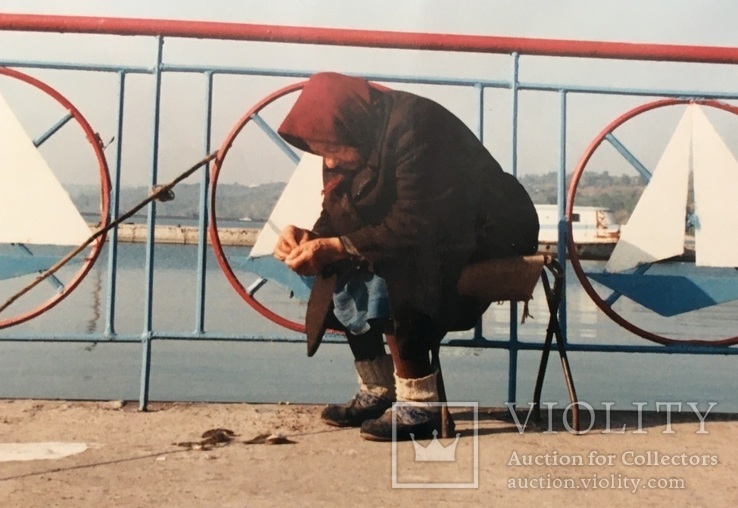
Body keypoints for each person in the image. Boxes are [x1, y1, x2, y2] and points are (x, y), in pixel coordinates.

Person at [274, 72, 538, 441]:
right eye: (323, 153)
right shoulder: (353, 135)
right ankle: (379, 389)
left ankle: (419, 403)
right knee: (339, 262)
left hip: (486, 234)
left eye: (331, 150)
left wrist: (337, 244)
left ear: (350, 124)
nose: (329, 164)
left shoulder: (417, 126)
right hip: (427, 231)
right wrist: (310, 237)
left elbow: (416, 227)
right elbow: (341, 211)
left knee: (391, 266)